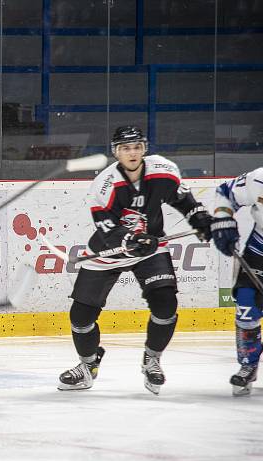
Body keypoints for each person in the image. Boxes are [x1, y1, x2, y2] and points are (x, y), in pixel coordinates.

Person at [58, 126, 214, 395]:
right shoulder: (105, 184)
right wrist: (130, 240)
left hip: (151, 248)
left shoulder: (163, 170)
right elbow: (107, 228)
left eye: (136, 147)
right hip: (110, 252)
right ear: (115, 152)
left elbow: (185, 200)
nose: (132, 153)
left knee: (165, 304)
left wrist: (200, 218)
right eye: (125, 148)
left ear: (145, 148)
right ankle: (87, 366)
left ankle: (152, 360)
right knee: (80, 317)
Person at [210, 167, 263, 396]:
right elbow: (225, 192)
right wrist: (223, 221)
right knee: (246, 304)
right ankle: (248, 364)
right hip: (259, 249)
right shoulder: (258, 178)